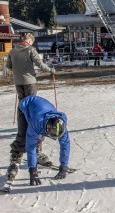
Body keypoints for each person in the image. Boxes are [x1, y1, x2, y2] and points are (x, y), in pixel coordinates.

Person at [6, 33, 56, 176]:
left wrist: (18, 71)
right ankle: (36, 147)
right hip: (30, 82)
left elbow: (9, 65)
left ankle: (23, 143)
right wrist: (51, 70)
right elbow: (40, 64)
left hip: (18, 82)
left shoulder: (13, 50)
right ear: (28, 40)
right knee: (34, 111)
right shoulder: (30, 50)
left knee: (23, 108)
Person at [3, 95, 70, 190]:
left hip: (41, 108)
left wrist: (64, 166)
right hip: (25, 104)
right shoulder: (36, 123)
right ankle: (15, 158)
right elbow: (30, 147)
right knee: (23, 136)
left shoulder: (61, 126)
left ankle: (37, 154)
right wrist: (33, 170)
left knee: (39, 137)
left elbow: (65, 145)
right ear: (48, 127)